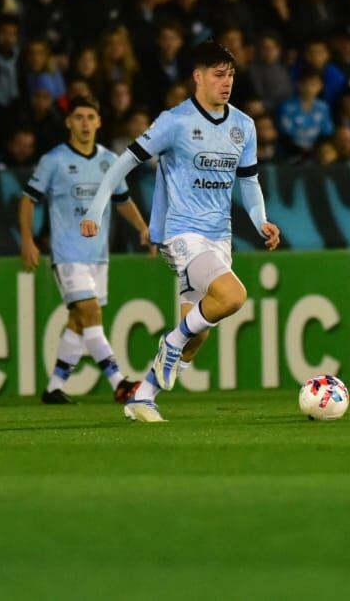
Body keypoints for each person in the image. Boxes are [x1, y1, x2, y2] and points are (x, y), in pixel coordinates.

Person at [80, 42, 280, 422]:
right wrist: (95, 208)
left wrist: (261, 221)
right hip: (182, 234)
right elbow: (124, 162)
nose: (226, 83)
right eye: (219, 75)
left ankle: (141, 397)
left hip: (219, 237)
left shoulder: (244, 126)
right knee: (233, 296)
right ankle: (168, 343)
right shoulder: (175, 121)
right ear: (198, 77)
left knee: (198, 334)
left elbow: (249, 182)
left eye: (231, 75)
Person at [18, 96, 151, 405]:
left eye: (91, 117)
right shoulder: (54, 160)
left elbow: (122, 200)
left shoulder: (108, 160)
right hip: (67, 253)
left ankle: (54, 388)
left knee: (80, 322)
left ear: (99, 122)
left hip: (98, 256)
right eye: (78, 117)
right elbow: (27, 199)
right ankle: (119, 382)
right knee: (91, 313)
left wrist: (143, 228)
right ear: (68, 122)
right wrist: (28, 239)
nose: (85, 123)